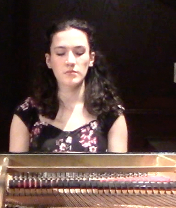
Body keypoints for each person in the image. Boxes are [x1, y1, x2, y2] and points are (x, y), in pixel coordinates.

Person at [9, 19, 128, 153]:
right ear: (48, 60)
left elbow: (118, 172)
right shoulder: (28, 111)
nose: (70, 61)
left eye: (79, 52)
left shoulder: (110, 111)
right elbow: (15, 171)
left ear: (91, 58)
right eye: (60, 53)